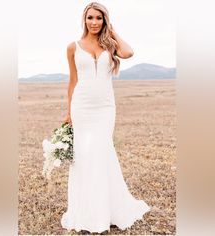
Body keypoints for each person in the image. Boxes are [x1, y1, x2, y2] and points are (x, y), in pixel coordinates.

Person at [61, 2, 151, 234]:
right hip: (82, 106)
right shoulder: (73, 47)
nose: (94, 22)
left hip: (104, 107)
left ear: (104, 21)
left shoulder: (110, 45)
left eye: (99, 18)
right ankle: (87, 211)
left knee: (102, 152)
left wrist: (111, 32)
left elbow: (129, 52)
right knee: (84, 156)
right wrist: (69, 112)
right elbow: (72, 82)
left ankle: (106, 210)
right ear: (84, 20)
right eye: (90, 18)